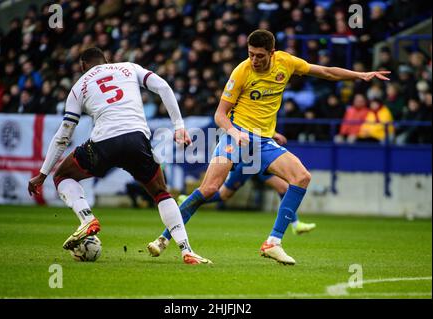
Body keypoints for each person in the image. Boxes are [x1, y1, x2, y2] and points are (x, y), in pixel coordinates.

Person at [148, 30, 390, 265]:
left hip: (263, 142)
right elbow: (220, 115)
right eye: (251, 53)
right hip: (235, 137)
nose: (254, 59)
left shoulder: (286, 62)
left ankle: (273, 242)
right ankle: (164, 237)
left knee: (301, 177)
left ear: (272, 53)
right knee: (210, 189)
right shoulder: (241, 71)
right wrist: (235, 133)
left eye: (260, 55)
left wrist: (359, 75)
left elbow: (325, 71)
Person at [28, 47, 211, 265]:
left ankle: (87, 218)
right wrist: (179, 126)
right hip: (137, 140)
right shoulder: (128, 67)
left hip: (104, 143)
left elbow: (64, 135)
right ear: (107, 60)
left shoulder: (78, 88)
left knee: (62, 177)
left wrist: (42, 174)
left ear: (82, 66)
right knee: (161, 193)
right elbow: (163, 86)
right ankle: (186, 250)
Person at [171, 132, 316, 238]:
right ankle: (190, 199)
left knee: (283, 187)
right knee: (224, 194)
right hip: (248, 160)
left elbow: (259, 128)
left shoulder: (263, 105)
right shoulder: (242, 105)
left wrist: (272, 134)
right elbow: (246, 126)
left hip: (259, 157)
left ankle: (295, 225)